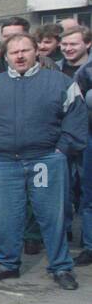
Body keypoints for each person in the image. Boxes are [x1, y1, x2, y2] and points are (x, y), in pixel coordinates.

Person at [0, 33, 87, 289]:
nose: (20, 56)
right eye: (14, 52)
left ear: (36, 53)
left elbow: (76, 120)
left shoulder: (60, 83)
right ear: (5, 57)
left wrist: (61, 151)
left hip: (45, 160)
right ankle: (8, 264)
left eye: (25, 50)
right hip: (2, 162)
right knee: (6, 217)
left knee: (51, 216)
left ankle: (61, 267)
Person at [63, 26, 92, 266]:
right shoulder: (60, 69)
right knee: (70, 192)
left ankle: (89, 243)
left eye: (74, 44)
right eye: (65, 44)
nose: (68, 48)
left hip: (88, 139)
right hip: (67, 140)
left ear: (87, 44)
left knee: (89, 193)